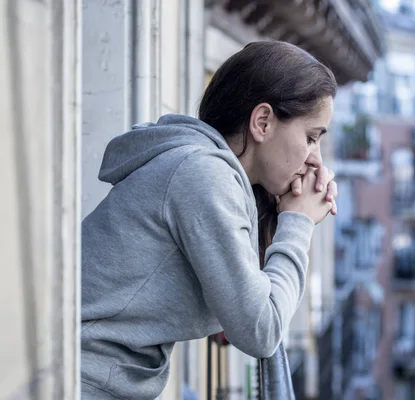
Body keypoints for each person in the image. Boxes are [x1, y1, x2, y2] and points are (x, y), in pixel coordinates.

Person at [80, 40, 339, 399]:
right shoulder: (203, 175)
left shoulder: (215, 176)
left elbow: (249, 305)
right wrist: (298, 224)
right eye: (311, 138)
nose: (316, 160)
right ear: (262, 122)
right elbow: (261, 330)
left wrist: (285, 214)